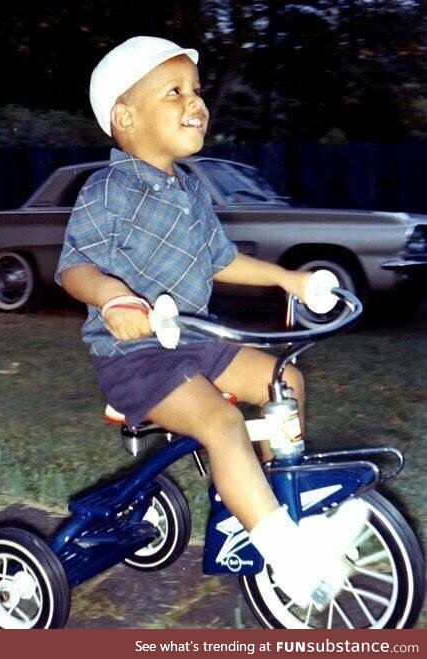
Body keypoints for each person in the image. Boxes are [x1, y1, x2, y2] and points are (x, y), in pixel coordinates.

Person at [56, 36, 367, 609]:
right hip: (135, 357)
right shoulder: (108, 189)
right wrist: (115, 300)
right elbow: (74, 267)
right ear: (125, 117)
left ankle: (281, 507)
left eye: (196, 91)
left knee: (284, 383)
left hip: (194, 338)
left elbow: (222, 259)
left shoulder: (190, 191)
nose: (195, 102)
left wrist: (289, 280)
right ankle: (289, 557)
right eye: (174, 92)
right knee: (221, 424)